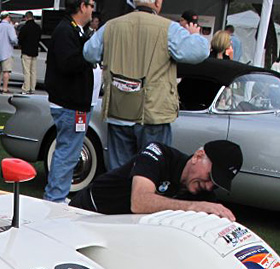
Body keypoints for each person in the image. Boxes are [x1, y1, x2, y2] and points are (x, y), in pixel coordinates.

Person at [84, 0, 209, 170]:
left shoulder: (111, 26)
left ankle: (121, 196)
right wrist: (194, 35)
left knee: (119, 173)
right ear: (158, 3)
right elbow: (199, 52)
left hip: (119, 109)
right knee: (152, 171)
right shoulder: (169, 28)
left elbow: (89, 53)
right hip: (153, 112)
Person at [71, 139, 242, 220]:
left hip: (120, 228)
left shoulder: (203, 191)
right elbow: (139, 202)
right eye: (210, 176)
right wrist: (194, 207)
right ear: (198, 156)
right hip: (86, 212)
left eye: (216, 183)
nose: (209, 185)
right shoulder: (158, 153)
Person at [42, 0, 96, 203]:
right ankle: (54, 197)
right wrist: (89, 54)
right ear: (82, 6)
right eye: (91, 5)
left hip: (77, 104)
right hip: (69, 105)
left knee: (70, 153)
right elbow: (68, 64)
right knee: (67, 153)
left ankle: (58, 194)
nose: (92, 9)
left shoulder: (76, 31)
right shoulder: (66, 31)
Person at [0, 11, 18, 94]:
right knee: (6, 71)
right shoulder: (10, 27)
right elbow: (13, 39)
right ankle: (5, 88)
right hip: (6, 52)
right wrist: (15, 42)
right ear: (8, 17)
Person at [18, 11, 42, 94]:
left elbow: (20, 39)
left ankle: (26, 88)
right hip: (34, 52)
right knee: (33, 71)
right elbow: (39, 39)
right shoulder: (37, 27)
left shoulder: (24, 27)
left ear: (26, 17)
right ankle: (32, 88)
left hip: (26, 51)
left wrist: (21, 46)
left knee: (27, 71)